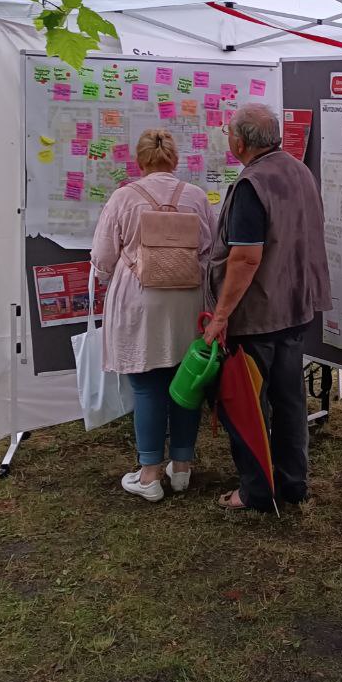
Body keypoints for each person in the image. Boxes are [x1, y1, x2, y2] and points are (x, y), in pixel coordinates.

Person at [204, 104, 331, 511]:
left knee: (247, 404)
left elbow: (245, 258)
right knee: (290, 401)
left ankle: (257, 491)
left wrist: (220, 315)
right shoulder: (299, 171)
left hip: (258, 313)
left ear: (239, 141)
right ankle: (293, 484)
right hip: (296, 306)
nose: (227, 138)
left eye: (228, 133)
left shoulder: (252, 183)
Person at [91, 129, 216, 501]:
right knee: (186, 384)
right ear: (175, 161)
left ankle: (148, 475)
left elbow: (102, 257)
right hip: (188, 302)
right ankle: (181, 468)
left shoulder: (124, 198)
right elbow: (210, 249)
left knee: (146, 386)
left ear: (140, 161)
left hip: (139, 301)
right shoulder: (195, 196)